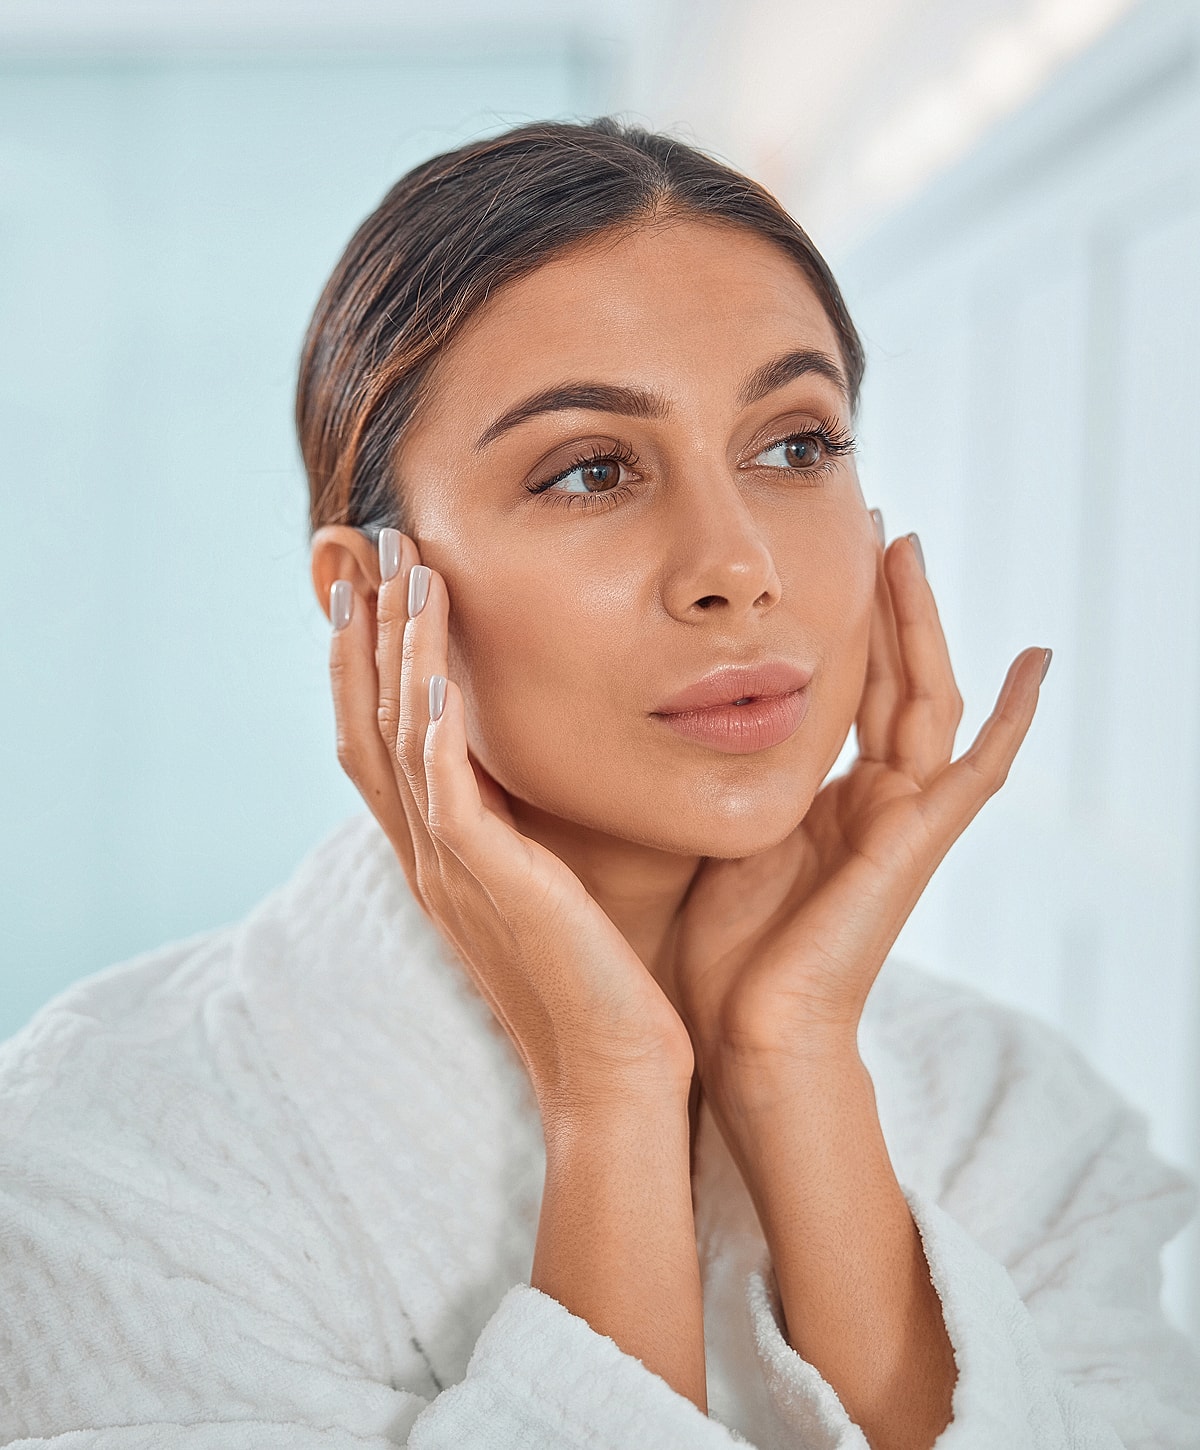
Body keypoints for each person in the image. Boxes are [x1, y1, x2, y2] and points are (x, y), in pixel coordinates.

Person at [1, 118, 1197, 1450]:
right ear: (369, 599)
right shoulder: (94, 1163)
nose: (736, 563)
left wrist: (792, 1059)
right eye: (589, 468)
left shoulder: (1021, 1120)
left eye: (795, 444)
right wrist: (608, 1084)